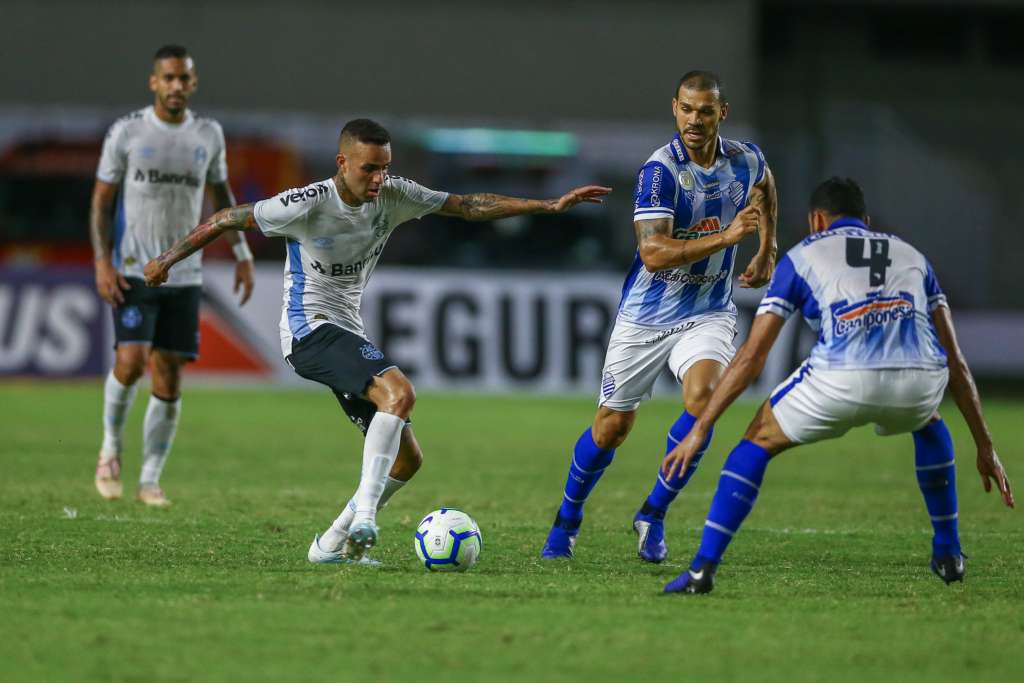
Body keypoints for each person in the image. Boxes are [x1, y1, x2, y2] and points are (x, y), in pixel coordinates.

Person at [143, 117, 611, 563]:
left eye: (385, 167)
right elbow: (226, 217)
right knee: (399, 392)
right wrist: (166, 260)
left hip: (347, 329)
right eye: (369, 168)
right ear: (342, 163)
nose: (379, 178)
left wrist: (546, 206)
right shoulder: (305, 203)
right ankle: (365, 518)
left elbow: (468, 205)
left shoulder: (394, 195)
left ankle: (329, 544)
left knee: (407, 460)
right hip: (309, 330)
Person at [661, 177, 1014, 594]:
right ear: (867, 221)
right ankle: (949, 553)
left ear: (816, 220)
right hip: (918, 380)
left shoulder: (803, 256)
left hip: (841, 379)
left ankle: (702, 569)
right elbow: (957, 363)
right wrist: (985, 446)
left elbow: (752, 357)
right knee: (930, 423)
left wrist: (700, 428)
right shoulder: (913, 256)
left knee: (757, 439)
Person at [540, 70, 778, 562]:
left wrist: (767, 248)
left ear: (722, 113)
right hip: (646, 317)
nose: (695, 120)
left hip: (708, 311)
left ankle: (653, 513)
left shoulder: (745, 158)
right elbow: (652, 253)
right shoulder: (660, 171)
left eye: (705, 111)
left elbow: (765, 184)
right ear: (675, 108)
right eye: (686, 109)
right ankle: (567, 518)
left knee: (704, 400)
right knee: (611, 429)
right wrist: (728, 238)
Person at [91, 45, 255, 507]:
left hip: (185, 274)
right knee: (130, 362)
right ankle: (110, 451)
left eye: (184, 78)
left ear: (193, 83)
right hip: (133, 269)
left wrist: (242, 252)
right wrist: (101, 261)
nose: (176, 85)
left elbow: (222, 196)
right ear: (154, 82)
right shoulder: (127, 131)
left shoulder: (208, 134)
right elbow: (102, 200)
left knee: (169, 376)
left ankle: (149, 479)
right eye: (168, 78)